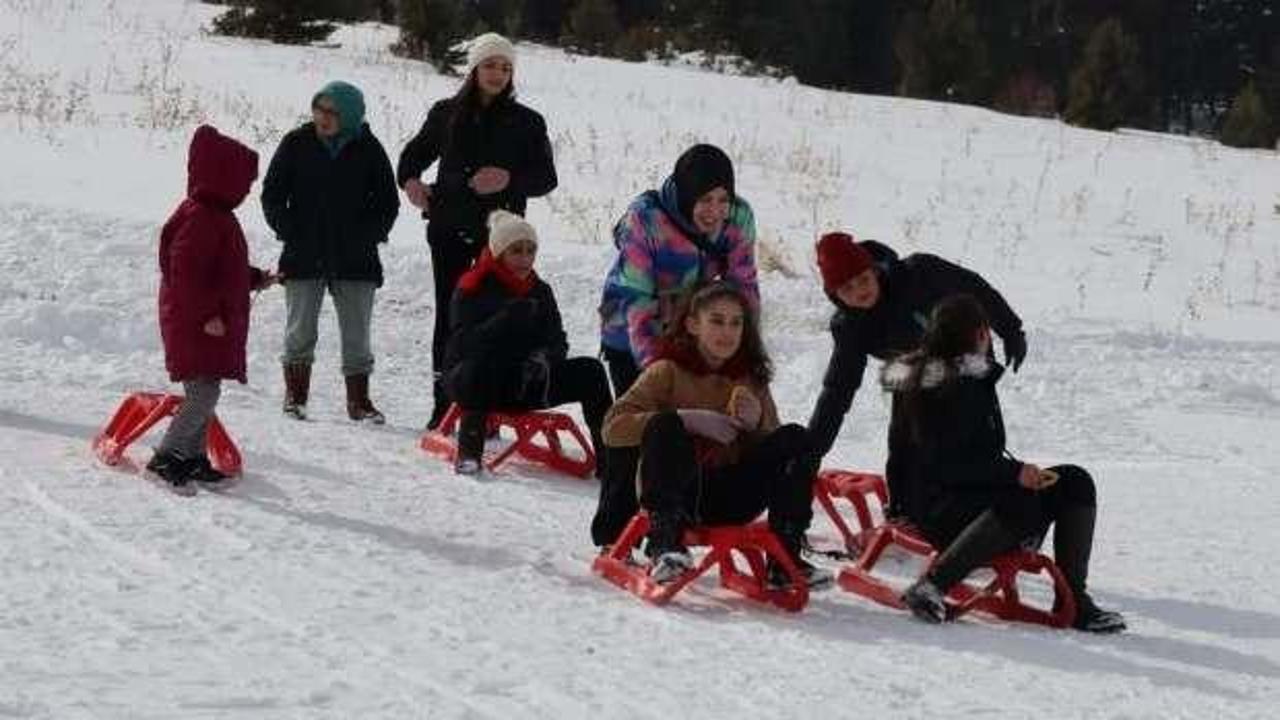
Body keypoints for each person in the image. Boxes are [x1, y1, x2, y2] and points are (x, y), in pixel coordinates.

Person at [883, 295, 1126, 633]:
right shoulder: (951, 385)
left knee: (1074, 481)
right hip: (936, 511)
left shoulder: (950, 375)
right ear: (981, 334)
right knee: (1023, 501)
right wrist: (1015, 474)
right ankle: (932, 585)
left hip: (946, 499)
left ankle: (1073, 600)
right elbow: (946, 465)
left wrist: (1016, 473)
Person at [601, 281, 831, 589]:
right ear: (693, 325)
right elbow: (613, 428)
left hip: (734, 495)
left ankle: (785, 557)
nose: (728, 332)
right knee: (666, 424)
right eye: (717, 321)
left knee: (796, 438)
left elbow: (776, 453)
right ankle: (666, 545)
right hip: (678, 493)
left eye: (736, 323)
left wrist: (757, 424)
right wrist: (686, 419)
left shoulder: (751, 378)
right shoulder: (666, 371)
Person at [591, 143, 759, 547]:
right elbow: (636, 301)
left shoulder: (739, 218)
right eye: (705, 200)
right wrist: (660, 371)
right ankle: (613, 529)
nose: (715, 211)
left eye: (723, 199)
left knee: (685, 433)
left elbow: (744, 286)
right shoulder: (646, 219)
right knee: (639, 426)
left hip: (691, 328)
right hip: (629, 330)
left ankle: (673, 516)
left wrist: (745, 352)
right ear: (686, 194)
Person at [397, 32, 558, 431]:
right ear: (474, 69)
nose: (497, 74)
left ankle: (488, 408)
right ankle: (444, 404)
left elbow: (546, 178)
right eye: (490, 65)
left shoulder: (527, 121)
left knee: (500, 316)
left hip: (502, 240)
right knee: (450, 317)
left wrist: (509, 178)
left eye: (505, 68)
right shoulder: (446, 114)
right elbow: (412, 157)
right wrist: (411, 182)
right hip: (449, 228)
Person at [807, 231, 1027, 519]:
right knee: (908, 431)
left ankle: (990, 488)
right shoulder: (850, 326)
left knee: (974, 430)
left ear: (874, 270)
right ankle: (904, 503)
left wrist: (1010, 329)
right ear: (835, 296)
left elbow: (974, 288)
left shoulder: (921, 273)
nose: (860, 291)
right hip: (916, 372)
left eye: (863, 279)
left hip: (967, 352)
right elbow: (838, 389)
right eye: (847, 289)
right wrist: (812, 451)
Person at [262, 80, 400, 424]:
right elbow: (272, 194)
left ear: (350, 115)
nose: (323, 117)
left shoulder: (369, 148)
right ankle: (295, 397)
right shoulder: (296, 143)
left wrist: (366, 236)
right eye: (319, 108)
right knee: (299, 330)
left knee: (357, 334)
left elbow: (388, 203)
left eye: (332, 112)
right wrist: (290, 230)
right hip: (304, 253)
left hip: (356, 258)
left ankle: (359, 402)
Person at [149, 125, 277, 493]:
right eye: (244, 183)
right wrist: (207, 316)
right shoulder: (200, 217)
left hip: (206, 326)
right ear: (224, 178)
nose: (247, 191)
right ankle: (167, 456)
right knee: (202, 395)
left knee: (207, 392)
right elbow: (186, 274)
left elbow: (224, 270)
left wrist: (256, 278)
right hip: (194, 325)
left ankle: (192, 458)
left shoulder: (217, 216)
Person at [442, 211, 612, 476]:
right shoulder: (473, 287)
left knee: (592, 370)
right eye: (516, 251)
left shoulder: (540, 290)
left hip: (527, 381)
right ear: (499, 253)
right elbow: (463, 344)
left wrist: (545, 357)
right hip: (478, 381)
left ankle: (611, 461)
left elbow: (558, 340)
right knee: (479, 368)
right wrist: (503, 319)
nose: (524, 259)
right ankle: (469, 455)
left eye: (530, 251)